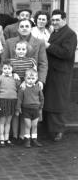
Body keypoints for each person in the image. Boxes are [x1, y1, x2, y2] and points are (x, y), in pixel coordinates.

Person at [43, 9, 77, 142]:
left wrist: (48, 46)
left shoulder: (70, 34)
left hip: (61, 73)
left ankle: (58, 131)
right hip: (51, 72)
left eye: (57, 20)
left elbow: (66, 53)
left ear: (64, 19)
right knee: (50, 101)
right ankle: (50, 129)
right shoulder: (55, 32)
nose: (55, 22)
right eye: (53, 20)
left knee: (58, 102)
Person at [16, 68, 44, 148]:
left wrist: (41, 107)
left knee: (34, 125)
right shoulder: (23, 88)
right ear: (25, 78)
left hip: (36, 109)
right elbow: (19, 99)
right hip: (26, 109)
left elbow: (42, 98)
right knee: (28, 125)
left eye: (33, 78)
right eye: (28, 78)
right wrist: (18, 108)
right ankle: (27, 140)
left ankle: (34, 139)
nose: (31, 80)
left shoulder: (38, 87)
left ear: (36, 78)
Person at [0, 60, 18, 147]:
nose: (7, 70)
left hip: (13, 101)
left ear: (12, 69)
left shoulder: (15, 78)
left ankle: (7, 138)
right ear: (1, 69)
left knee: (9, 121)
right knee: (2, 120)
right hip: (2, 101)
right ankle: (1, 139)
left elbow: (18, 88)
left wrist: (17, 77)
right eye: (5, 68)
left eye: (9, 68)